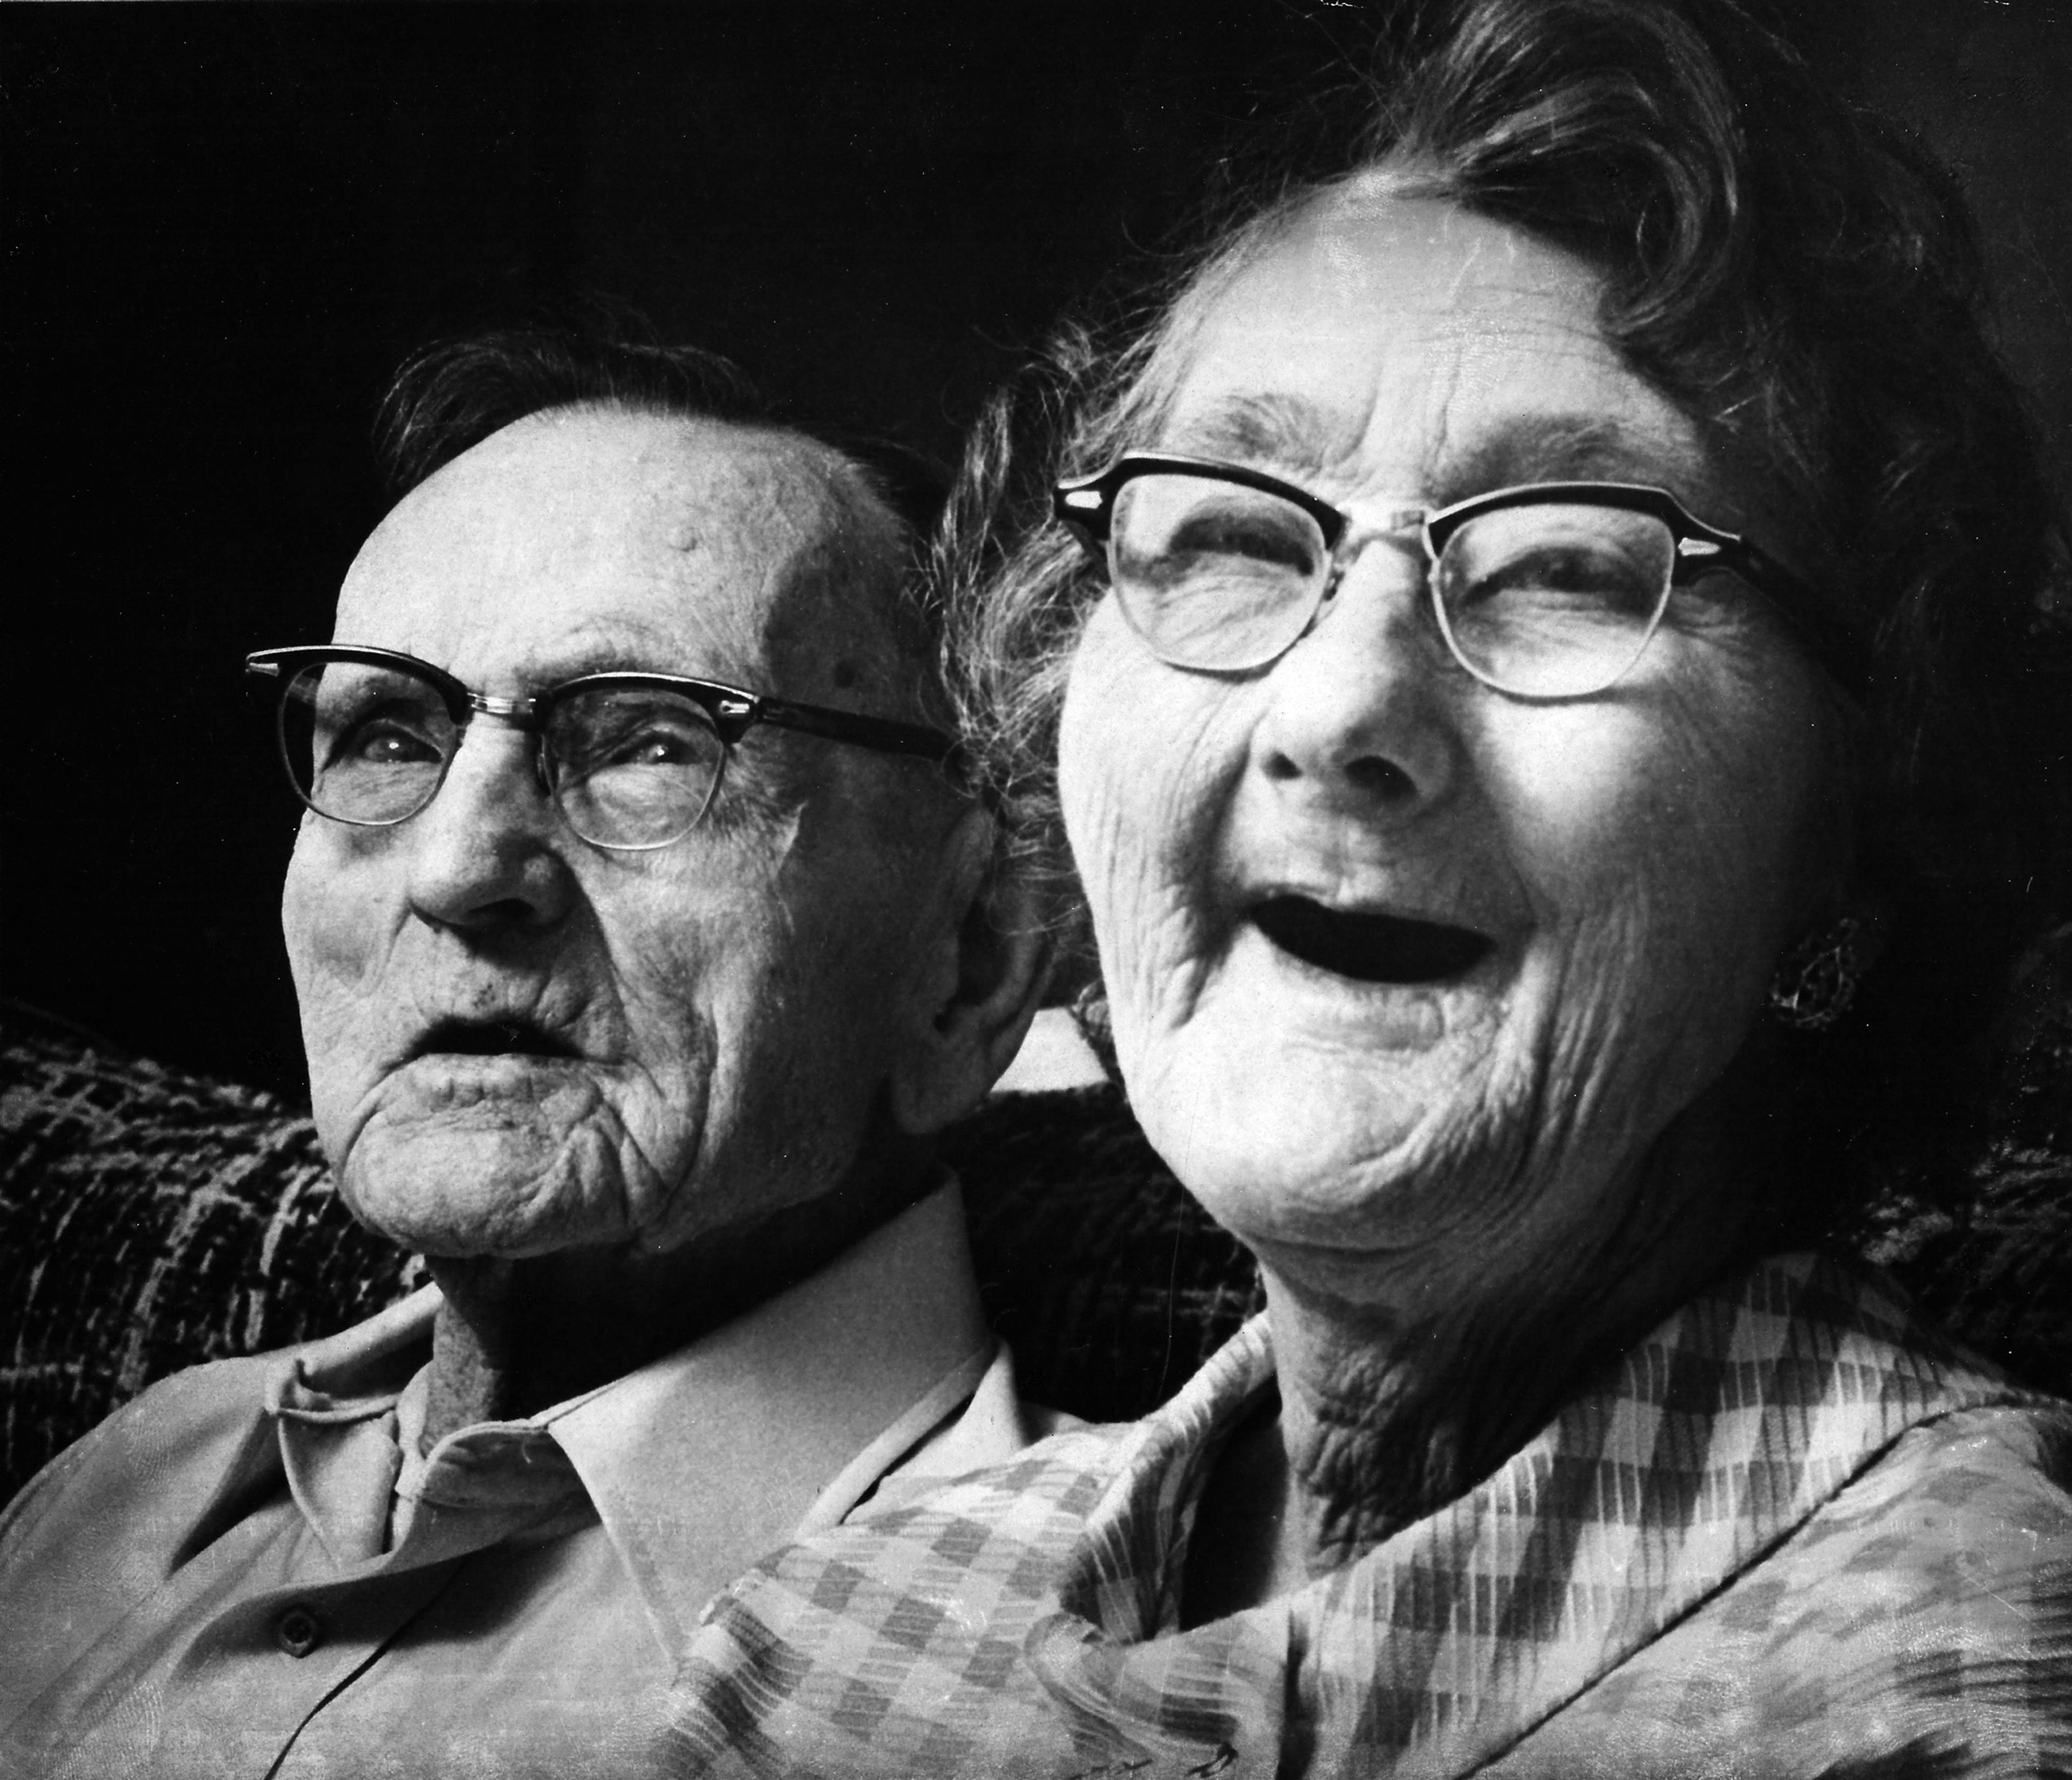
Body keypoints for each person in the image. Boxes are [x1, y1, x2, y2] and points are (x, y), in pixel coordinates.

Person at [658, 2, 2072, 1771]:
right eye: (1234, 535)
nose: (1338, 711)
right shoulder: (825, 1649)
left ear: (1855, 849)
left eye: (1565, 565)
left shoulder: (1964, 1687)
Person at [0, 330, 1054, 1777]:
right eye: (385, 734)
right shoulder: (139, 1473)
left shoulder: (1034, 1667)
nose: (455, 864)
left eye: (649, 741)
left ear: (974, 955)